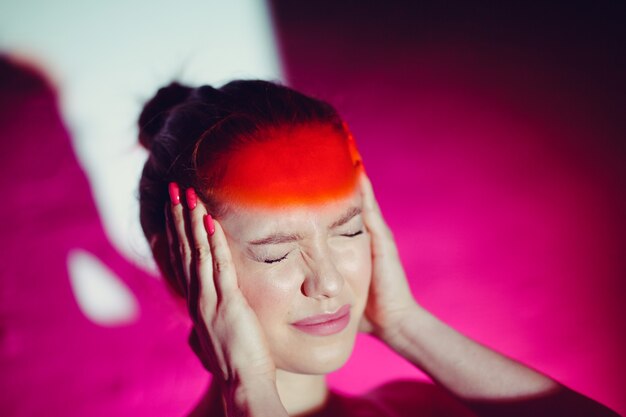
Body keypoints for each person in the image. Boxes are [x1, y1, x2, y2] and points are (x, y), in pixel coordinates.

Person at [137, 80, 619, 417]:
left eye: (348, 231)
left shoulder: (418, 411)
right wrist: (249, 394)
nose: (328, 281)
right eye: (275, 252)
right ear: (174, 262)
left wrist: (404, 323)